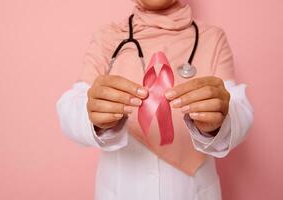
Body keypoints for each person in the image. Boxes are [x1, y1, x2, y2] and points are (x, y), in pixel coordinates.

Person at [56, 0, 254, 199]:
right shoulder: (107, 37)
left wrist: (220, 119)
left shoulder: (212, 38)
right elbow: (71, 108)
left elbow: (239, 109)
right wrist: (95, 115)